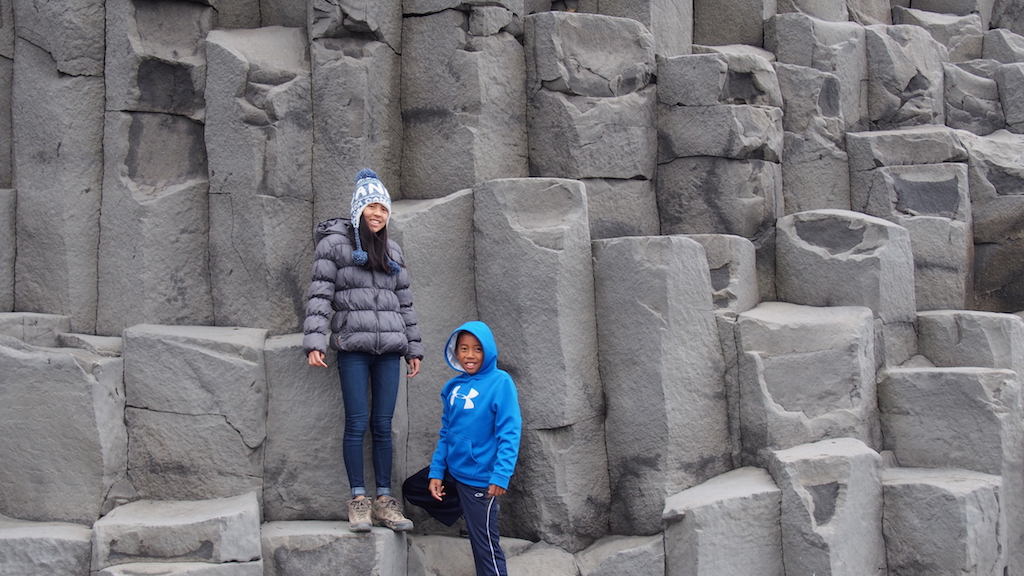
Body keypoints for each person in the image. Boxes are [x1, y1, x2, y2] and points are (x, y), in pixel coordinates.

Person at [303, 168, 423, 533]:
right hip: (352, 347)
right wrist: (314, 340)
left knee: (383, 425)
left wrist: (413, 348)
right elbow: (320, 293)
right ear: (358, 209)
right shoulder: (334, 245)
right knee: (356, 423)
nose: (378, 213)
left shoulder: (393, 250)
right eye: (371, 206)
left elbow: (405, 304)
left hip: (389, 349)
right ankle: (359, 501)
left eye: (383, 209)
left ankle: (385, 501)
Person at [405, 321, 522, 576]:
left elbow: (510, 433)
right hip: (454, 473)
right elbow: (447, 433)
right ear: (455, 352)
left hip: (480, 479)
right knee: (412, 488)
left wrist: (501, 475)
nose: (470, 355)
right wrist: (436, 472)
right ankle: (466, 511)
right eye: (464, 349)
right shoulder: (453, 388)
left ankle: (476, 515)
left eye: (477, 349)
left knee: (485, 549)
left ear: (488, 351)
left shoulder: (500, 383)